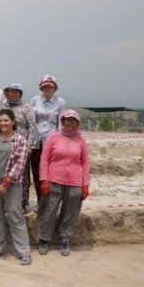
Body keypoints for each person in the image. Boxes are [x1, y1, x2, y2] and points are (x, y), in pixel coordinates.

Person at [36, 109, 90, 256]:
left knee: (71, 211)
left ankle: (65, 238)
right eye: (68, 119)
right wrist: (44, 179)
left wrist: (85, 184)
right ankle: (43, 238)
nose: (70, 123)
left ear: (77, 123)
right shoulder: (53, 137)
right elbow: (44, 159)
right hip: (53, 179)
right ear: (62, 121)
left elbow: (85, 163)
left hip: (75, 182)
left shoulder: (80, 140)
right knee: (49, 209)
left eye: (74, 120)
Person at [0, 108, 32, 265]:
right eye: (0, 120)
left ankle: (24, 252)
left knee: (15, 216)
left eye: (6, 120)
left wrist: (5, 184)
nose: (3, 123)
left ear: (13, 122)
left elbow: (19, 165)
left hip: (12, 186)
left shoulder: (20, 141)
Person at [2, 83, 39, 213]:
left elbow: (33, 128)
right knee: (6, 174)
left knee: (22, 176)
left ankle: (22, 203)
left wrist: (30, 146)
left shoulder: (26, 108)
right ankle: (6, 202)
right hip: (5, 145)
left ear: (20, 94)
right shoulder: (3, 106)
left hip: (22, 148)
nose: (13, 94)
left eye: (16, 92)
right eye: (11, 91)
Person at [29, 75, 66, 205]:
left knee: (51, 173)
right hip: (36, 141)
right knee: (37, 173)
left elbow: (61, 123)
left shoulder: (60, 102)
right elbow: (31, 120)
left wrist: (60, 142)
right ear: (41, 87)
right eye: (45, 86)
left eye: (50, 86)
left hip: (52, 141)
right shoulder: (34, 100)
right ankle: (40, 202)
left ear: (54, 88)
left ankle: (51, 202)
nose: (47, 88)